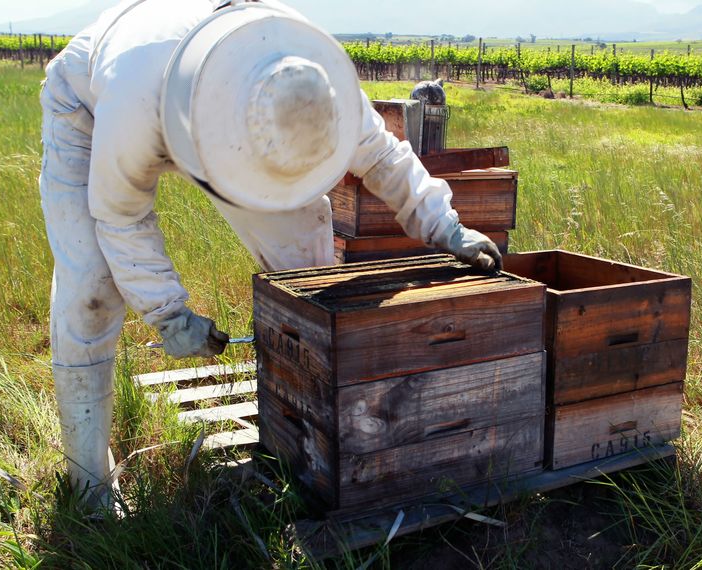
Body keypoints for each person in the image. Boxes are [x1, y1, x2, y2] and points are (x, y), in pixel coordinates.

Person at [39, 0, 502, 511]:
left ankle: (314, 430)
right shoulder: (133, 99)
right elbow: (120, 216)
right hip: (86, 105)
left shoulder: (313, 79)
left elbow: (385, 156)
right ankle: (88, 486)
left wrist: (448, 228)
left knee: (305, 274)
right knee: (92, 287)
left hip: (239, 129)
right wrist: (168, 313)